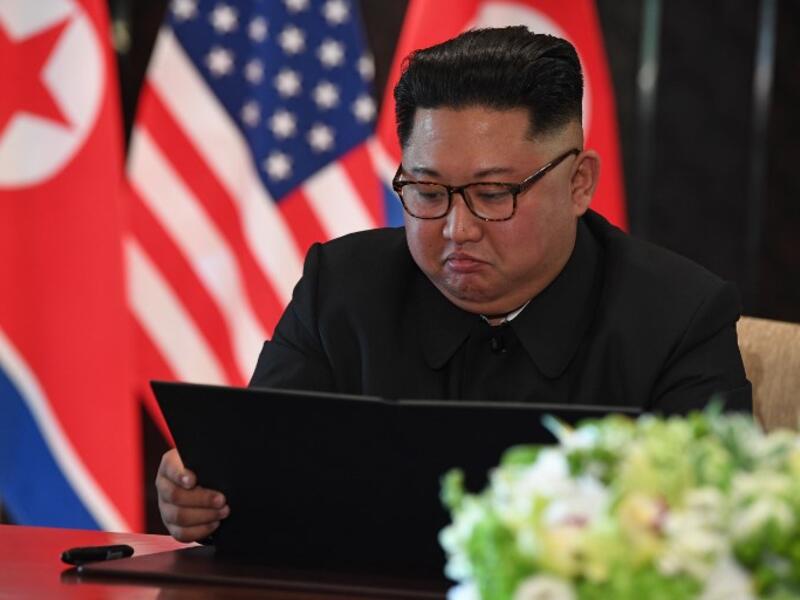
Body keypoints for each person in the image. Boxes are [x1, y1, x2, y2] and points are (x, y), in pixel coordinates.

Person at [156, 26, 751, 542]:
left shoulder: (679, 314)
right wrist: (199, 494)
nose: (455, 229)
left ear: (579, 184)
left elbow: (711, 529)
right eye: (428, 192)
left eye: (494, 194)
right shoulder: (339, 286)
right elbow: (258, 474)